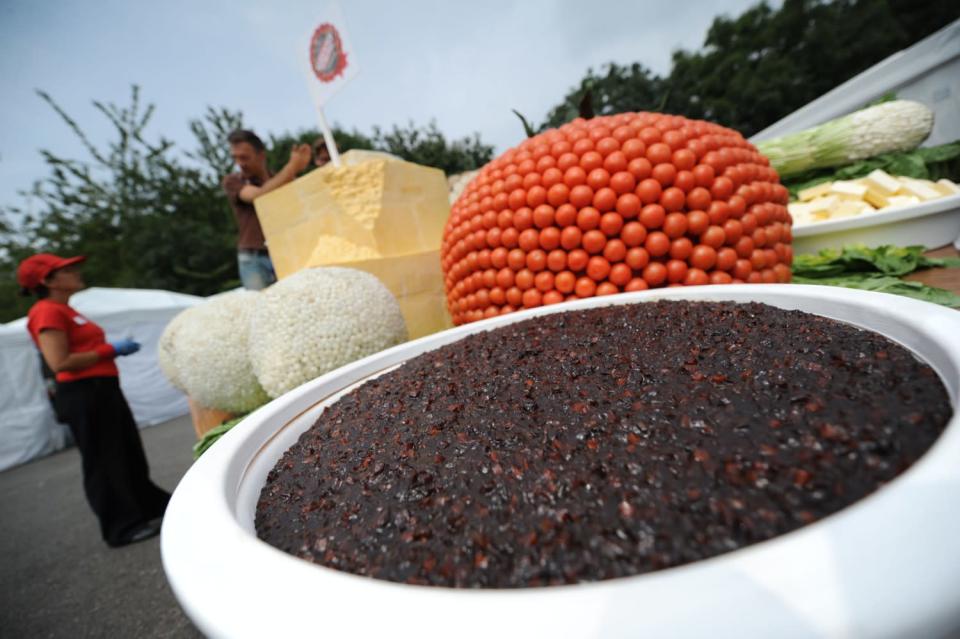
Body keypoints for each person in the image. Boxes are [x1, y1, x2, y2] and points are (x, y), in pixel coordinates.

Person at [17, 253, 171, 547]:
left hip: (102, 388)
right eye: (65, 269)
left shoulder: (65, 309)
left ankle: (147, 505)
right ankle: (121, 526)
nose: (75, 272)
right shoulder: (47, 311)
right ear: (47, 281)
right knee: (103, 460)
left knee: (126, 452)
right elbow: (59, 361)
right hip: (83, 392)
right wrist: (108, 351)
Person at [223, 129, 312, 290]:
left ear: (261, 155)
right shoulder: (233, 181)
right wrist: (292, 167)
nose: (239, 163)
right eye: (235, 158)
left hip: (283, 254)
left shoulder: (278, 179)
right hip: (253, 258)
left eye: (244, 157)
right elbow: (259, 196)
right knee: (262, 308)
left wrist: (294, 172)